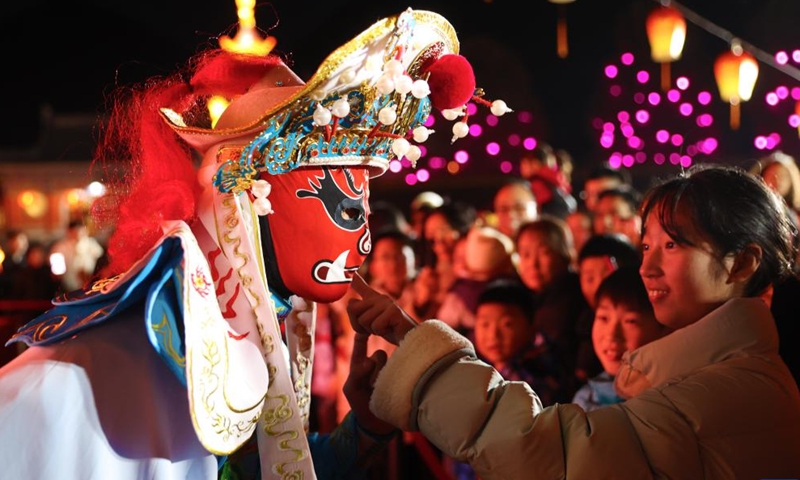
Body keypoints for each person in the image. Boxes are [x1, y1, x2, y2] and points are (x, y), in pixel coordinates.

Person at [0, 8, 504, 479]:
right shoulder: (96, 373)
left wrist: (365, 428)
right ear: (247, 202)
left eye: (365, 213)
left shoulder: (240, 323)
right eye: (351, 212)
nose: (366, 241)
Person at [347, 163, 800, 478]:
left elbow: (553, 456)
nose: (647, 267)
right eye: (646, 246)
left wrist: (420, 352)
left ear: (741, 264)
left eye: (674, 245)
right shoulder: (712, 371)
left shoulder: (723, 391)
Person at [572, 267, 669, 411]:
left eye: (630, 321)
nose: (611, 334)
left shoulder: (667, 400)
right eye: (603, 318)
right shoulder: (585, 399)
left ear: (663, 328)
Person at [50, 219, 105, 292]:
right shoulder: (61, 247)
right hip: (68, 286)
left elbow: (102, 262)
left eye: (81, 231)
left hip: (91, 284)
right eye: (75, 231)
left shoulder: (91, 244)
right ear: (69, 232)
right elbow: (56, 270)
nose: (78, 233)